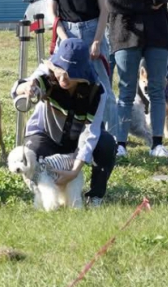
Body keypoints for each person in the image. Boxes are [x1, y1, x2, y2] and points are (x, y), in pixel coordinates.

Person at [12, 38, 116, 207]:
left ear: (83, 73)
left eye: (71, 74)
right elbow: (21, 87)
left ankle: (95, 196)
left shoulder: (97, 91)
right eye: (60, 71)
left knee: (106, 144)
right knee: (30, 154)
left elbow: (90, 133)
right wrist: (26, 88)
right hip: (46, 135)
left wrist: (74, 171)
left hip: (77, 141)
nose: (63, 78)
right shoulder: (47, 75)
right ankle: (42, 192)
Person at [106, 0, 168, 158]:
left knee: (157, 89)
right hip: (126, 35)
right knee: (126, 90)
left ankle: (157, 142)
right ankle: (120, 143)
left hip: (158, 34)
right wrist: (143, 0)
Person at [41, 0, 117, 133]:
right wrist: (66, 40)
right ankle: (72, 133)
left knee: (103, 88)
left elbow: (104, 9)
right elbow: (52, 13)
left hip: (93, 30)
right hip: (66, 33)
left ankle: (112, 139)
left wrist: (97, 41)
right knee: (66, 85)